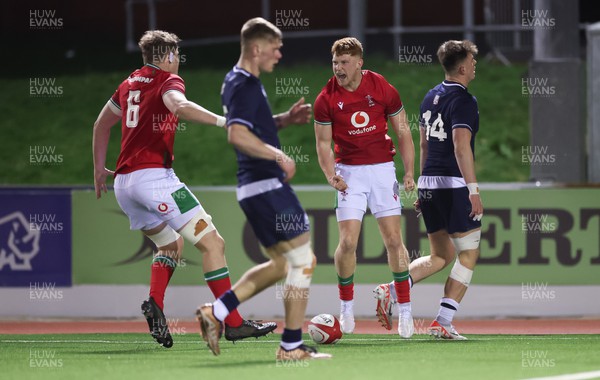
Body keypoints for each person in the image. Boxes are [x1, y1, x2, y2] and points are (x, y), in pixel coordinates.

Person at [92, 30, 276, 348]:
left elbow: (101, 124)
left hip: (124, 185)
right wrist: (224, 121)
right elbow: (179, 105)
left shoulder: (129, 83)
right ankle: (233, 323)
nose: (178, 61)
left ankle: (155, 304)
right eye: (176, 55)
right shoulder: (168, 81)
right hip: (157, 182)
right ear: (167, 57)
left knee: (170, 246)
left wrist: (98, 169)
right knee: (213, 244)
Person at [195, 18, 331, 361]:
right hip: (264, 185)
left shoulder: (241, 81)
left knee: (282, 264)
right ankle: (290, 346)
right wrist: (278, 154)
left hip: (255, 187)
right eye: (275, 47)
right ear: (256, 49)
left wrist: (283, 120)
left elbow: (251, 126)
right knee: (303, 260)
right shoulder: (244, 84)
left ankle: (219, 312)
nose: (280, 54)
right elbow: (237, 134)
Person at [374, 39, 483, 340]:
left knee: (441, 255)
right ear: (462, 67)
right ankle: (443, 322)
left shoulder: (429, 97)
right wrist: (472, 190)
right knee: (469, 255)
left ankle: (392, 289)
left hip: (431, 182)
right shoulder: (464, 101)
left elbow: (424, 144)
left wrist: (423, 185)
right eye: (472, 60)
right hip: (453, 184)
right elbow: (461, 147)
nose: (475, 64)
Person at [313, 37, 416, 338]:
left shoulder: (382, 87)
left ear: (359, 62)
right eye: (335, 63)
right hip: (349, 174)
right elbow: (322, 143)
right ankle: (346, 308)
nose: (338, 68)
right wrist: (330, 174)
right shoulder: (326, 98)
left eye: (344, 62)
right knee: (347, 243)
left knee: (394, 240)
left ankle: (407, 311)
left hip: (382, 171)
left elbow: (403, 132)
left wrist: (409, 172)